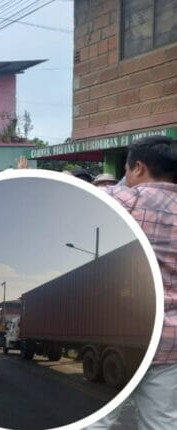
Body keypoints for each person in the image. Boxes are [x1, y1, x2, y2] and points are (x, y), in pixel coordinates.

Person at [89, 136, 177, 429]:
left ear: (138, 167)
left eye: (126, 170)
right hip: (170, 342)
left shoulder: (122, 200)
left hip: (121, 333)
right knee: (161, 422)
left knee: (96, 419)